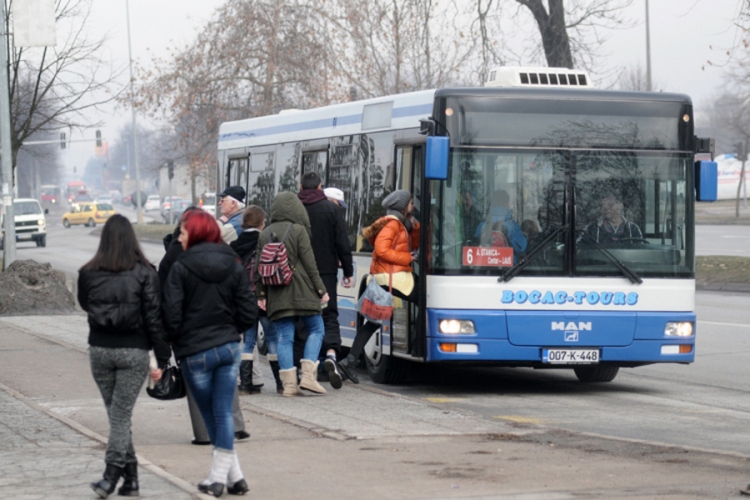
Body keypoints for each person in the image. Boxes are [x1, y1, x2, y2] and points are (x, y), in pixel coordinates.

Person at [162, 210, 257, 497]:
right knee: (222, 413)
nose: (179, 238)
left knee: (213, 415)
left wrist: (177, 340)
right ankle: (235, 478)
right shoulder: (233, 262)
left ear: (195, 233)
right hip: (228, 348)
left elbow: (171, 315)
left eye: (183, 232)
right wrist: (231, 330)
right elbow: (248, 311)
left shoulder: (180, 266)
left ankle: (217, 479)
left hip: (195, 352)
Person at [78, 214, 171, 498]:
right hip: (134, 350)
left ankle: (126, 479)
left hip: (100, 349)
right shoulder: (146, 273)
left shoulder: (88, 273)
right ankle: (116, 477)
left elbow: (85, 304)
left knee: (116, 414)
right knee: (119, 415)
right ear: (132, 238)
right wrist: (163, 357)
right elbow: (154, 318)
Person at [337, 189, 420, 384]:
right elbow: (382, 250)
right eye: (410, 203)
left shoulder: (399, 223)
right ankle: (418, 343)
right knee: (427, 296)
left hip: (385, 277)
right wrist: (407, 258)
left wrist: (415, 226)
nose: (413, 205)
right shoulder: (393, 224)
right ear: (402, 206)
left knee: (373, 321)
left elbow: (413, 242)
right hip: (394, 277)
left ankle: (349, 362)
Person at [255, 192, 330, 396]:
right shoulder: (298, 230)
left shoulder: (265, 233)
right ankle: (308, 378)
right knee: (317, 328)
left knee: (284, 337)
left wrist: (261, 295)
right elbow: (310, 264)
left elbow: (258, 269)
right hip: (302, 290)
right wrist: (321, 290)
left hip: (276, 293)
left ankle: (288, 386)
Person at [297, 173, 354, 389]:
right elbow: (342, 242)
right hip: (327, 273)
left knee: (303, 318)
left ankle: (307, 366)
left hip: (300, 273)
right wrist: (348, 271)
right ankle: (331, 355)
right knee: (329, 315)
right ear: (320, 187)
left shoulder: (295, 209)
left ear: (301, 187)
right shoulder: (331, 209)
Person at [230, 205, 283, 394]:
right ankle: (280, 383)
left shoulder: (235, 245)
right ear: (261, 222)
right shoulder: (266, 241)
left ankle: (245, 384)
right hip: (264, 296)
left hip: (244, 300)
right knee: (273, 339)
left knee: (248, 340)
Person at [481, 189, 527, 254]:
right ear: (507, 204)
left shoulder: (482, 225)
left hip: (485, 260)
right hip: (508, 260)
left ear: (493, 203)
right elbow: (522, 247)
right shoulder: (512, 226)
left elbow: (475, 244)